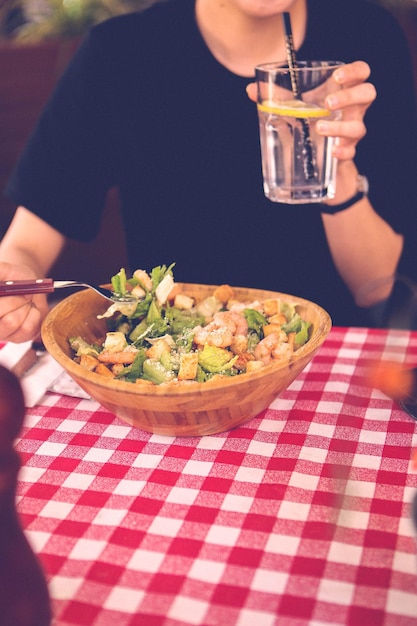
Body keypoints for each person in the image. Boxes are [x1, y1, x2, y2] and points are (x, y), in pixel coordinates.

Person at [0, 0, 416, 343]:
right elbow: (26, 245)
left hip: (328, 369)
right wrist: (15, 287)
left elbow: (376, 287)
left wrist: (337, 163)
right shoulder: (121, 54)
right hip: (175, 375)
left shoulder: (367, 37)